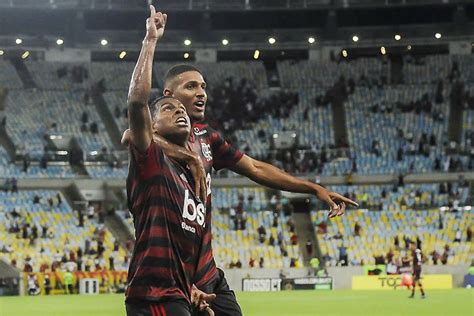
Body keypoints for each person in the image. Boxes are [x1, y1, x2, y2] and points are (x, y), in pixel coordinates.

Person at [121, 5, 357, 315]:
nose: (202, 93)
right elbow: (132, 131)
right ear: (169, 95)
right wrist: (150, 40)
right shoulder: (153, 143)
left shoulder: (209, 139)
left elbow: (256, 168)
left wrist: (312, 188)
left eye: (204, 86)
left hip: (204, 272)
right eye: (191, 86)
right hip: (165, 278)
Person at [124, 7, 214, 316]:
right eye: (167, 108)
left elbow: (177, 247)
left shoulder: (188, 176)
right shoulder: (151, 159)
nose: (179, 111)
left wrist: (191, 289)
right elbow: (136, 103)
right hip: (153, 296)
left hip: (179, 293)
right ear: (150, 124)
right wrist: (150, 40)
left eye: (182, 109)